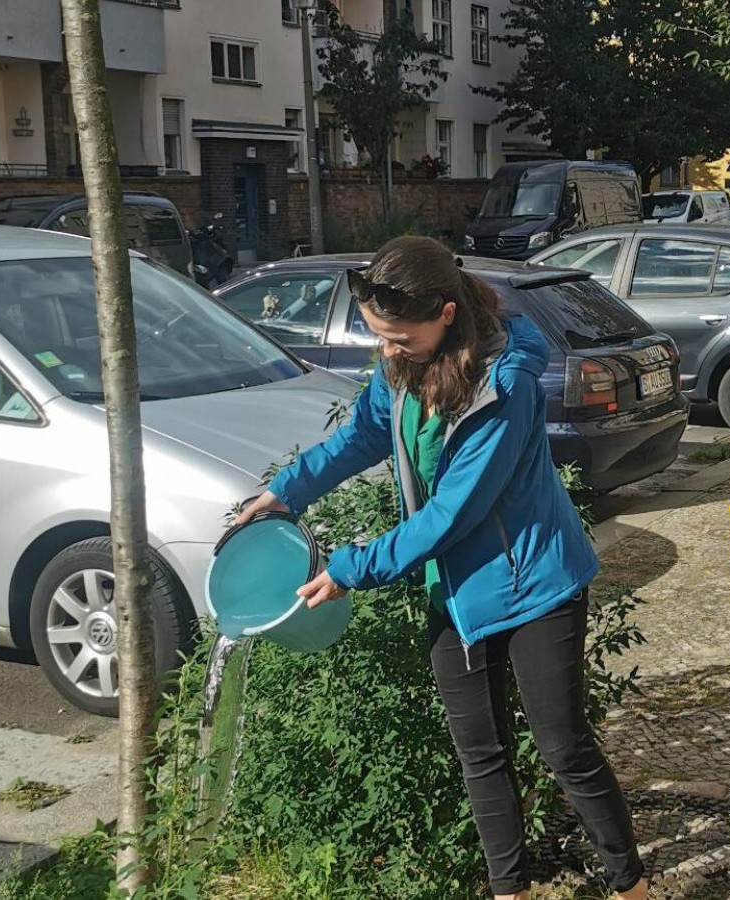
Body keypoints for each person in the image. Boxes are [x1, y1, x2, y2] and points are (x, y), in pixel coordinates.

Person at [235, 237, 648, 899]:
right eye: (380, 339)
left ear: (447, 313)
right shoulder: (402, 363)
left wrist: (351, 566)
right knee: (481, 756)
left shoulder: (504, 384)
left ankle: (631, 887)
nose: (389, 352)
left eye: (400, 339)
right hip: (451, 591)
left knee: (562, 748)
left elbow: (453, 514)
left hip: (533, 583)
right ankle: (509, 892)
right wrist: (288, 490)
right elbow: (365, 432)